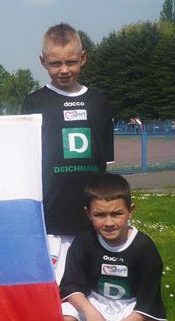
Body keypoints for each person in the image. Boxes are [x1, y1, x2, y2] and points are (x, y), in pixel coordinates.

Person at [20, 23, 114, 284]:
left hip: (92, 215)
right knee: (54, 286)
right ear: (43, 61)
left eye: (71, 62)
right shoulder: (34, 102)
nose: (64, 70)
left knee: (90, 285)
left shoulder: (98, 102)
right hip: (52, 216)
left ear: (83, 58)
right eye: (55, 63)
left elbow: (105, 164)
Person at [60, 173, 167, 321]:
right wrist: (90, 313)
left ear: (130, 211)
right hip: (96, 303)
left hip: (131, 308)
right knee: (62, 320)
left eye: (117, 214)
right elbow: (71, 285)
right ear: (88, 213)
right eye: (99, 215)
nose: (109, 223)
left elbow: (149, 301)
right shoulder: (84, 241)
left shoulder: (144, 248)